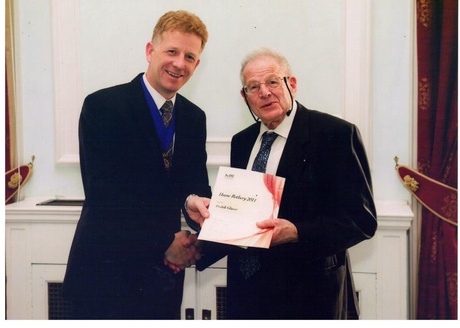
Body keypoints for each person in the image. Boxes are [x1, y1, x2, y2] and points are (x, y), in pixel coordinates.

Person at [187, 48, 378, 319]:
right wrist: (199, 248)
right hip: (246, 293)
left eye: (273, 82)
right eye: (253, 86)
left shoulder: (335, 135)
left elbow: (362, 221)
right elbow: (244, 221)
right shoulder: (242, 142)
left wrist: (297, 231)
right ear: (245, 97)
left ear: (292, 84)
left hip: (308, 296)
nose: (264, 92)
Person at [62, 10, 212, 319]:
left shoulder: (195, 118)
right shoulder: (103, 106)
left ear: (197, 65)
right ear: (150, 51)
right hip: (106, 274)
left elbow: (192, 184)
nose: (179, 63)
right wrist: (164, 243)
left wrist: (193, 201)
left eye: (189, 56)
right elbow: (104, 195)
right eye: (172, 51)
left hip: (163, 279)